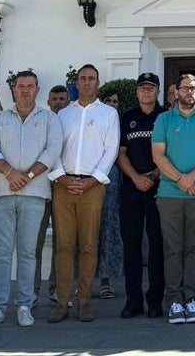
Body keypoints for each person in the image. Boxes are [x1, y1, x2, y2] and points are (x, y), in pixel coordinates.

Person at [0, 70, 63, 329]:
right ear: (13, 90)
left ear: (37, 90)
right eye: (21, 86)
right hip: (1, 193)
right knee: (1, 253)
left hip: (35, 195)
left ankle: (25, 305)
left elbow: (52, 150)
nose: (25, 90)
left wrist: (26, 175)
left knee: (28, 253)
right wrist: (10, 173)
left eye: (30, 86)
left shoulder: (49, 119)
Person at [47, 64, 119, 323]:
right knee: (64, 246)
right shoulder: (62, 115)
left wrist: (92, 180)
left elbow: (110, 150)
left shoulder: (109, 114)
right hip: (63, 187)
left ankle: (84, 301)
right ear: (76, 83)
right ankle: (62, 302)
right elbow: (52, 148)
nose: (87, 82)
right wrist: (62, 177)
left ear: (98, 83)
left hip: (92, 187)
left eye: (91, 79)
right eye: (82, 78)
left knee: (89, 246)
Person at [152, 73, 195, 324]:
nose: (189, 92)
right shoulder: (164, 120)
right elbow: (158, 156)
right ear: (176, 92)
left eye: (193, 88)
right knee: (172, 249)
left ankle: (191, 299)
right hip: (170, 195)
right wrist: (182, 179)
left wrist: (192, 178)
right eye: (184, 88)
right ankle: (174, 302)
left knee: (193, 249)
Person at [117, 73, 167, 319]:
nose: (146, 92)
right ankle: (133, 300)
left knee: (157, 246)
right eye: (142, 88)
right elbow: (120, 153)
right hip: (131, 189)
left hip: (159, 189)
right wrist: (136, 178)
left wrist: (154, 175)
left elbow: (171, 152)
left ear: (157, 92)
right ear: (137, 92)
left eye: (151, 88)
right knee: (132, 246)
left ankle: (156, 300)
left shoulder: (166, 116)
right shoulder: (127, 117)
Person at [34, 83, 71, 308]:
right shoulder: (41, 122)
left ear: (68, 101)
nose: (57, 102)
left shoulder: (71, 123)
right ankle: (33, 291)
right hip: (39, 189)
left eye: (61, 99)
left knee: (62, 243)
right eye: (54, 99)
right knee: (35, 244)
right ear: (48, 102)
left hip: (64, 189)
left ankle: (58, 289)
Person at [95, 89, 124, 301]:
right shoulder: (94, 120)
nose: (112, 104)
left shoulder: (121, 124)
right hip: (89, 179)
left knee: (109, 232)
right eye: (108, 100)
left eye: (115, 101)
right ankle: (81, 283)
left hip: (113, 182)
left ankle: (106, 281)